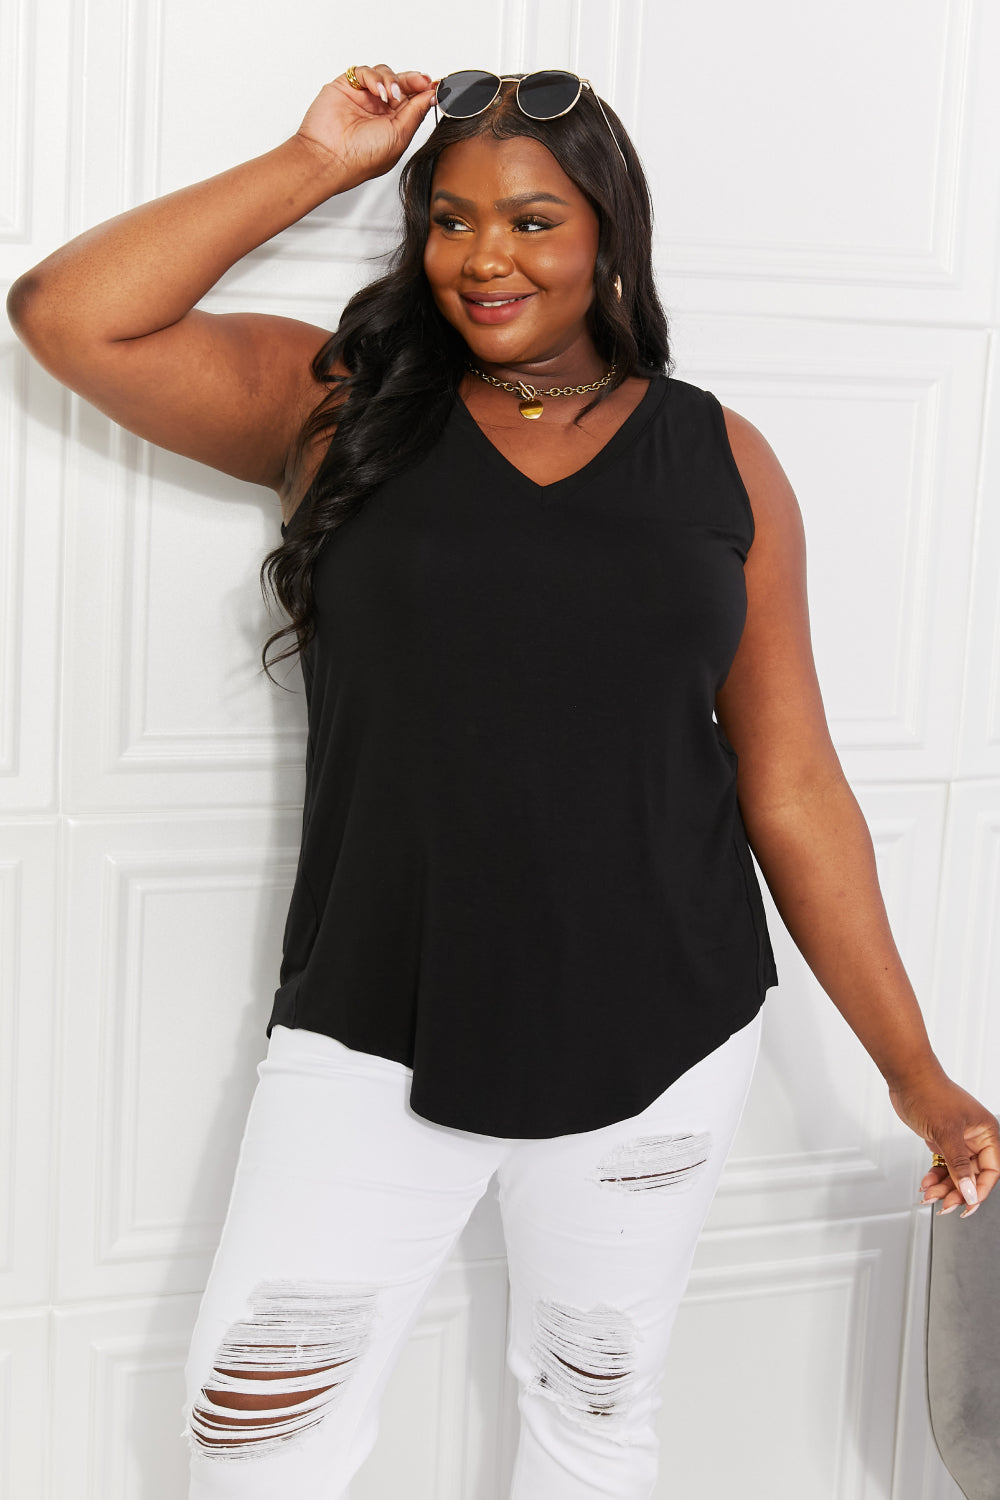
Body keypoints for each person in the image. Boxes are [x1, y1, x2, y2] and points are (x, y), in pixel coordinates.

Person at [7, 61, 998, 1500]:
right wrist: (318, 162)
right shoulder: (339, 410)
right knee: (253, 1438)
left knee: (592, 1424)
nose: (486, 258)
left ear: (607, 236)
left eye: (533, 221)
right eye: (453, 220)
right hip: (375, 1025)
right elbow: (68, 312)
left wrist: (918, 1074)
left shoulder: (719, 457)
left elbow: (792, 787)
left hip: (664, 1029)